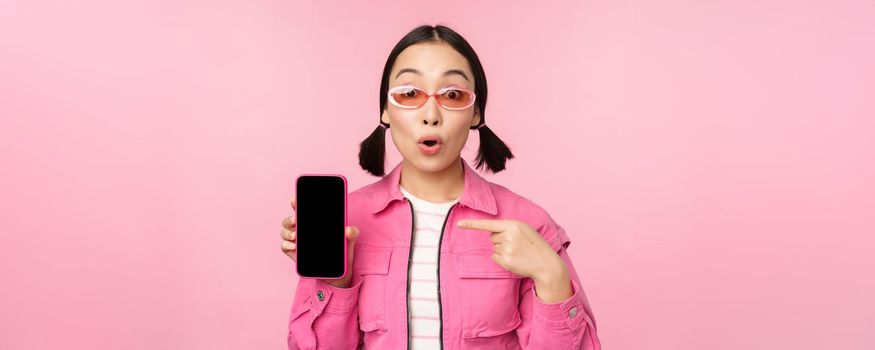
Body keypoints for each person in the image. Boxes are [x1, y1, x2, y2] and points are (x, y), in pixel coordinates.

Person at [281, 24, 601, 350]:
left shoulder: (528, 223)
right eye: (409, 93)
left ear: (476, 112)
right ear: (385, 110)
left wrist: (553, 278)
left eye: (452, 95)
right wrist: (337, 282)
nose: (431, 114)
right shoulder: (347, 222)